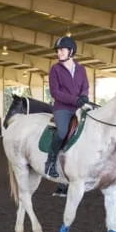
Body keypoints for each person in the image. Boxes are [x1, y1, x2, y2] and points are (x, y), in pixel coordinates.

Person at [46, 36, 90, 196]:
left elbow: (85, 86)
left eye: (61, 50)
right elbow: (55, 92)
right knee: (63, 132)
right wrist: (74, 100)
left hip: (80, 106)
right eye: (58, 50)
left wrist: (84, 96)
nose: (59, 53)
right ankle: (50, 162)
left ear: (71, 51)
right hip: (62, 108)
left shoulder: (81, 69)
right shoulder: (55, 69)